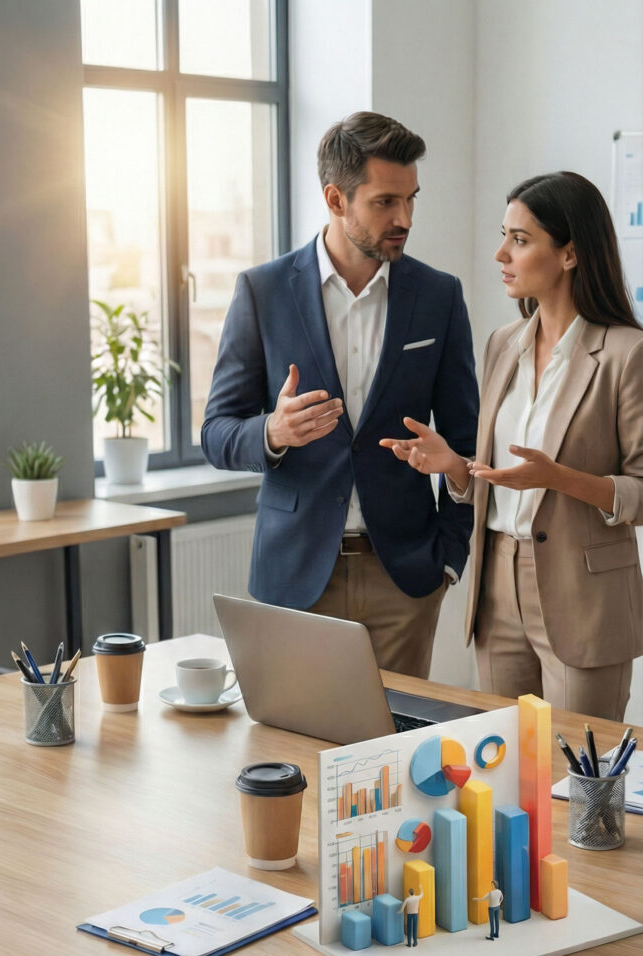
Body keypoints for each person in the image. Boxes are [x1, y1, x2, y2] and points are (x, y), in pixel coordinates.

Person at [201, 111, 479, 677]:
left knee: (394, 755)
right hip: (295, 578)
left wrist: (448, 560)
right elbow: (216, 433)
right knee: (293, 755)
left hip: (403, 581)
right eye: (384, 203)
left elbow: (467, 443)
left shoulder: (438, 297)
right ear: (336, 198)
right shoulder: (263, 291)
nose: (404, 218)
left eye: (411, 200)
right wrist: (272, 432)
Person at [381, 171, 643, 718]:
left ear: (569, 254)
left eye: (520, 240)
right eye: (504, 235)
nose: (501, 253)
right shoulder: (504, 344)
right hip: (497, 580)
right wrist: (455, 468)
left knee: (579, 774)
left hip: (583, 596)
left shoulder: (626, 354)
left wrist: (558, 479)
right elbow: (496, 480)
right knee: (504, 768)